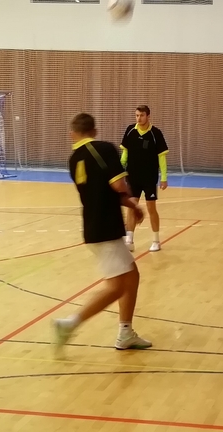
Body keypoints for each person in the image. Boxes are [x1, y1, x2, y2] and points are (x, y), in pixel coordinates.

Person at [52, 113, 152, 353]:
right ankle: (70, 324)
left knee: (132, 276)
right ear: (94, 131)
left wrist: (130, 205)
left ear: (72, 134)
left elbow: (102, 190)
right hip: (106, 227)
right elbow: (117, 185)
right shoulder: (104, 149)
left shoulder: (73, 158)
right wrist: (133, 203)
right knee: (117, 287)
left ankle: (125, 332)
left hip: (92, 226)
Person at [120, 105, 169, 252]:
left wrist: (164, 177)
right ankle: (129, 240)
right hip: (132, 177)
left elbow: (162, 157)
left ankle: (156, 240)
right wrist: (120, 171)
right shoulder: (130, 130)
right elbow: (125, 154)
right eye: (137, 115)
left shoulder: (155, 133)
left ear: (148, 116)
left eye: (141, 115)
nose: (139, 118)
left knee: (151, 208)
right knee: (132, 207)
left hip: (149, 177)